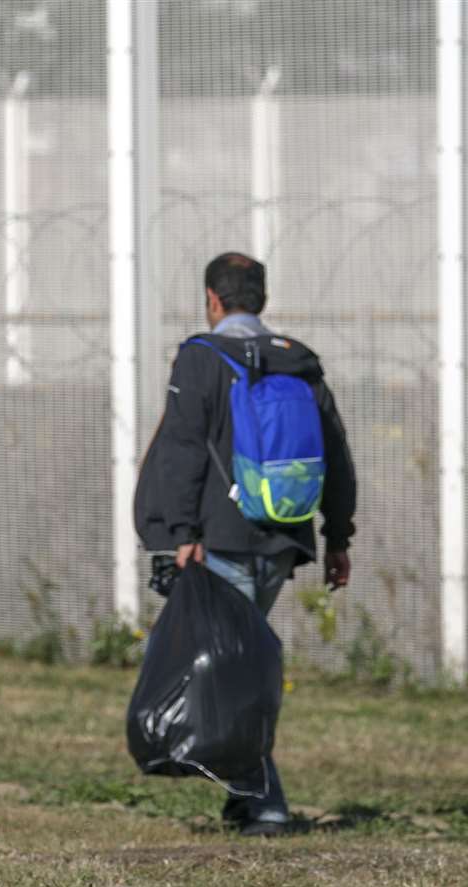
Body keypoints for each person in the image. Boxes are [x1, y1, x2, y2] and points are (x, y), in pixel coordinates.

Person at [134, 252, 357, 837]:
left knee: (228, 674)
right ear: (262, 298)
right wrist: (337, 537)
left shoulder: (202, 357)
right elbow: (335, 453)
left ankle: (265, 803)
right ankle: (241, 793)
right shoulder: (297, 362)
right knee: (235, 665)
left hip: (220, 540)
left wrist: (180, 534)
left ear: (212, 299)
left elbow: (182, 448)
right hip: (282, 539)